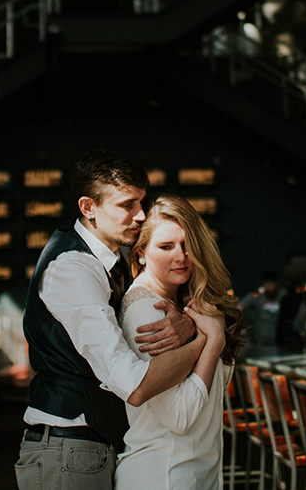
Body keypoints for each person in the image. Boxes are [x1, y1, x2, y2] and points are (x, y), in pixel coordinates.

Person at [15, 150, 202, 490]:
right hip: (67, 449)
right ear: (89, 208)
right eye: (127, 205)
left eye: (142, 203)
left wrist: (188, 322)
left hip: (85, 449)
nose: (141, 215)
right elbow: (132, 383)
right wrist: (206, 340)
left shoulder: (113, 262)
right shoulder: (72, 268)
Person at [115, 194, 244, 490]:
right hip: (164, 474)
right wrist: (213, 341)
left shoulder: (187, 305)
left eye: (187, 246)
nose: (180, 256)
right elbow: (179, 416)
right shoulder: (146, 310)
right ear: (140, 253)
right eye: (166, 246)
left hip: (192, 472)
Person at [237, 270, 283, 355]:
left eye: (272, 283)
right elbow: (239, 307)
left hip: (277, 341)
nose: (270, 287)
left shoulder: (282, 296)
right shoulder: (257, 296)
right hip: (260, 340)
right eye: (267, 283)